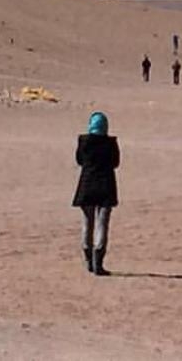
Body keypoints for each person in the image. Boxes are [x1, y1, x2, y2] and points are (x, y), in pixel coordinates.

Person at [73, 111, 120, 276]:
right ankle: (98, 261)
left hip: (87, 185)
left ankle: (88, 259)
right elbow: (115, 162)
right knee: (102, 225)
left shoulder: (84, 142)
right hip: (106, 186)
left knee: (88, 224)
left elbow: (79, 160)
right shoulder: (110, 143)